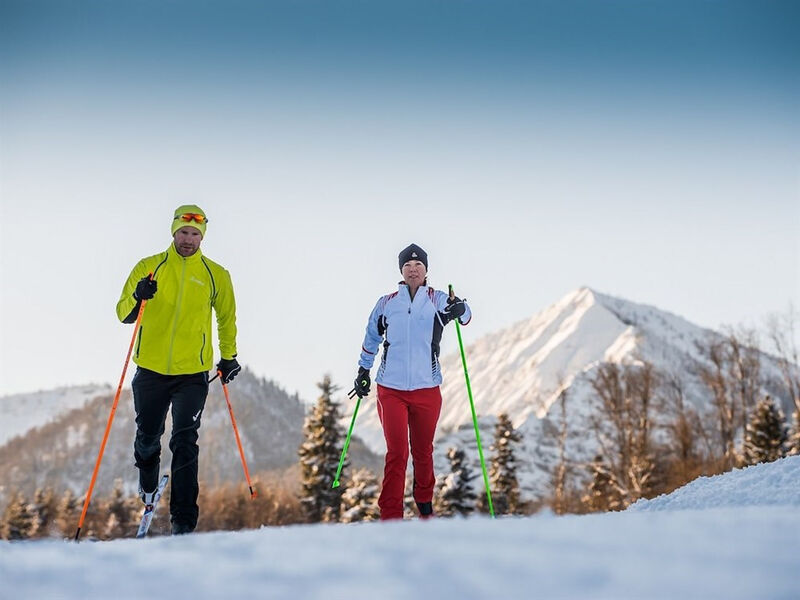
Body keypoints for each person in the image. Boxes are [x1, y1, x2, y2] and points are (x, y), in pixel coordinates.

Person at [116, 204, 241, 535]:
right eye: (184, 233)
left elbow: (226, 319)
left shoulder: (217, 274)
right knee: (147, 437)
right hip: (151, 370)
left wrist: (228, 357)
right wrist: (139, 296)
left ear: (203, 237)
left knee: (185, 440)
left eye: (195, 234)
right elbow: (122, 313)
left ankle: (183, 520)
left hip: (193, 374)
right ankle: (147, 482)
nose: (188, 239)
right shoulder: (149, 267)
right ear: (174, 232)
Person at [352, 243, 471, 520]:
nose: (413, 270)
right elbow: (371, 337)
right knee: (397, 452)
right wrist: (363, 371)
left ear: (427, 270)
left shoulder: (438, 299)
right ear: (401, 271)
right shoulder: (386, 303)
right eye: (408, 266)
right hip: (390, 389)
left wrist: (459, 308)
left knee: (423, 452)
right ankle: (391, 514)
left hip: (427, 389)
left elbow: (465, 316)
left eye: (418, 265)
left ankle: (425, 508)